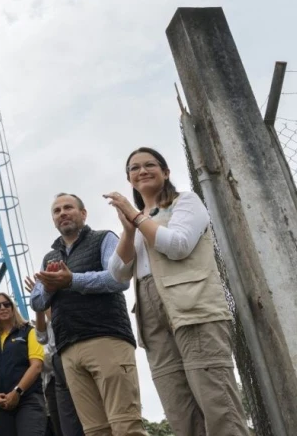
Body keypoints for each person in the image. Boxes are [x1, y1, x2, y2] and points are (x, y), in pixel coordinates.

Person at [105, 147, 249, 436]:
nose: (142, 170)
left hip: (192, 305)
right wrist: (130, 229)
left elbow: (178, 245)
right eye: (135, 168)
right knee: (179, 410)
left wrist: (135, 218)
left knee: (216, 401)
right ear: (129, 179)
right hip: (150, 314)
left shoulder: (186, 202)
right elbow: (117, 273)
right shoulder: (137, 220)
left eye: (150, 165)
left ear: (166, 172)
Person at [29, 194, 146, 436]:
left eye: (68, 207)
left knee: (125, 425)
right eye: (57, 210)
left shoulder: (104, 238)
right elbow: (37, 301)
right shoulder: (51, 258)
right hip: (68, 349)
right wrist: (51, 285)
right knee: (94, 430)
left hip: (106, 339)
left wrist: (71, 280)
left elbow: (118, 279)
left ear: (83, 214)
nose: (62, 213)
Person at [0, 292, 46, 436]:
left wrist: (17, 391)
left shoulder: (28, 331)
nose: (2, 308)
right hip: (0, 405)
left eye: (6, 304)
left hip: (28, 400)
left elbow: (36, 366)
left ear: (12, 307)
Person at [25, 278, 83, 436]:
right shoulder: (45, 308)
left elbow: (58, 320)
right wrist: (38, 302)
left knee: (79, 421)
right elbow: (41, 336)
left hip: (70, 363)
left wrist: (44, 301)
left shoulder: (63, 303)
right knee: (61, 426)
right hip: (52, 377)